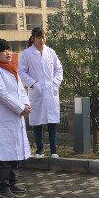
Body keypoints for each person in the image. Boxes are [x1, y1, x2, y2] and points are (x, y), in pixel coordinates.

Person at [0, 38, 32, 198]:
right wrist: (20, 108)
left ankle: (12, 182)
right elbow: (2, 95)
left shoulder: (12, 70)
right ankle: (3, 188)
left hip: (15, 118)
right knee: (3, 155)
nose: (8, 53)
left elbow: (21, 91)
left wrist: (26, 104)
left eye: (9, 50)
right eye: (3, 51)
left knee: (15, 153)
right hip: (1, 120)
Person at [19, 26, 63, 159]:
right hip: (36, 92)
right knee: (37, 122)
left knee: (52, 122)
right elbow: (21, 72)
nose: (41, 40)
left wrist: (54, 83)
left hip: (51, 92)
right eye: (38, 38)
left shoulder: (51, 52)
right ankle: (39, 150)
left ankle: (54, 150)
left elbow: (59, 69)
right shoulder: (27, 54)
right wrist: (33, 84)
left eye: (43, 37)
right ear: (33, 38)